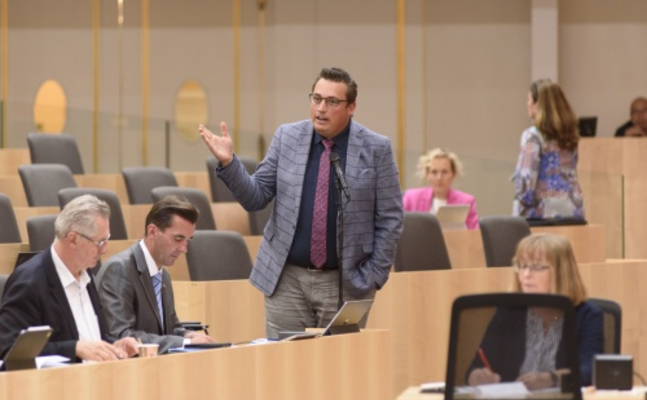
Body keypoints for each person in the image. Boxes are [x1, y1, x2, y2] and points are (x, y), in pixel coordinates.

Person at [199, 67, 403, 338]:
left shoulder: (376, 148)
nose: (321, 108)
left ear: (351, 106)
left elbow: (390, 218)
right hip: (287, 280)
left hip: (345, 282)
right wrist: (229, 163)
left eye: (332, 102)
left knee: (340, 369)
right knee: (282, 367)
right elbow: (255, 196)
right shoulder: (288, 137)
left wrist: (374, 276)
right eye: (316, 98)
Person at [0, 195, 138, 362]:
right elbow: (9, 350)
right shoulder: (29, 282)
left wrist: (114, 346)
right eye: (100, 242)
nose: (105, 250)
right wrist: (74, 348)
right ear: (73, 239)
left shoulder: (88, 278)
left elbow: (91, 341)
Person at [467, 233, 603, 388]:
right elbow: (478, 364)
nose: (526, 275)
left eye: (537, 268)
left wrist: (551, 379)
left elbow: (591, 371)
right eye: (522, 266)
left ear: (561, 272)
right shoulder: (509, 311)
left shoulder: (586, 315)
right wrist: (476, 376)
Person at [96, 195, 215, 354]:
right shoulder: (119, 270)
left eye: (188, 240)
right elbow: (121, 336)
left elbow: (170, 328)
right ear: (152, 231)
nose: (184, 249)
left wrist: (189, 335)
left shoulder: (163, 275)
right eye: (178, 239)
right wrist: (184, 342)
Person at [513, 79, 585, 219]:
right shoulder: (570, 136)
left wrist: (519, 215)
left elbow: (526, 180)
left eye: (529, 99)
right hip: (572, 210)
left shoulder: (532, 136)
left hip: (542, 214)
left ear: (538, 104)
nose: (527, 104)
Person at [403, 148, 479, 230]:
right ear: (427, 174)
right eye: (434, 172)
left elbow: (474, 235)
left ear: (453, 174)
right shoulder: (411, 198)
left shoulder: (466, 202)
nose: (439, 178)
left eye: (444, 172)